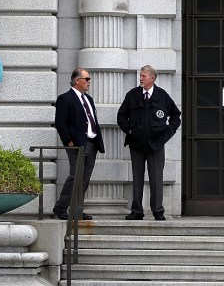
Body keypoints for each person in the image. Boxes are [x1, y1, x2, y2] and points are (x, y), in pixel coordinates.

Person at [117, 65, 181, 220]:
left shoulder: (162, 96)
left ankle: (158, 211)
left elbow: (175, 117)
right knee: (137, 178)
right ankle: (137, 211)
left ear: (152, 78)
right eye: (140, 75)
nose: (140, 78)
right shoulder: (133, 95)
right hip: (137, 144)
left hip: (156, 145)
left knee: (156, 179)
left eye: (144, 76)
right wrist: (129, 130)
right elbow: (121, 116)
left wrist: (166, 134)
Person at [52, 68, 104, 221]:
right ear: (77, 80)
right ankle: (61, 207)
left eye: (89, 79)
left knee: (85, 178)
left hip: (92, 142)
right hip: (76, 144)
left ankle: (77, 210)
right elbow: (60, 122)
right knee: (76, 176)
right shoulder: (65, 98)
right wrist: (68, 141)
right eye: (86, 79)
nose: (89, 82)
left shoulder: (89, 99)